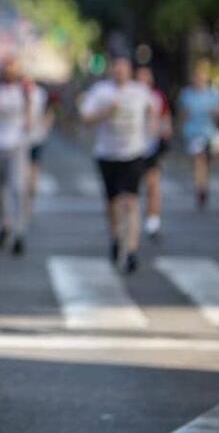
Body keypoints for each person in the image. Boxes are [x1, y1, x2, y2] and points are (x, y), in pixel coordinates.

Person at [79, 55, 155, 274]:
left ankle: (131, 250)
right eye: (117, 69)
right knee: (112, 203)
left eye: (124, 69)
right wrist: (106, 112)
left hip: (133, 153)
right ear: (111, 71)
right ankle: (115, 237)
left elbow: (154, 112)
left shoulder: (140, 91)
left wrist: (155, 134)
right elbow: (85, 119)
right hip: (107, 154)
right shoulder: (101, 92)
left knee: (131, 201)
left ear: (129, 71)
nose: (120, 72)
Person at [0, 58, 31, 256]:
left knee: (18, 189)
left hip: (16, 145)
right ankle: (3, 225)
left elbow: (31, 113)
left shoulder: (24, 90)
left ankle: (19, 231)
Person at [178, 62, 219, 211]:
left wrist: (217, 113)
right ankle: (201, 190)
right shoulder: (186, 94)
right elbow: (181, 115)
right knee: (199, 160)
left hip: (209, 133)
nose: (199, 80)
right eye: (196, 77)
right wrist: (184, 116)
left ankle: (203, 185)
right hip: (193, 133)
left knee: (206, 164)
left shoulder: (214, 94)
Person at [137, 66, 171, 239]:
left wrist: (166, 134)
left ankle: (153, 223)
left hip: (151, 147)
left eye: (146, 77)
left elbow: (165, 119)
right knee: (131, 192)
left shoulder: (158, 97)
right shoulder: (129, 95)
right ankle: (130, 223)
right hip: (131, 150)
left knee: (153, 185)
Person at [23, 74, 54, 228]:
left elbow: (49, 111)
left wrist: (46, 126)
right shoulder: (17, 92)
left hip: (36, 138)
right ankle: (22, 203)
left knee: (33, 174)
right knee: (22, 175)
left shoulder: (41, 94)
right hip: (19, 142)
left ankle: (30, 201)